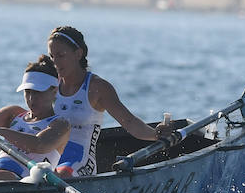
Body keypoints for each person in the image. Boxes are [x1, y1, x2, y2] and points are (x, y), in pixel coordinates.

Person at [45, 25, 174, 176]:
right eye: (52, 56)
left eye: (60, 55)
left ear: (78, 54)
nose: (55, 62)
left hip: (80, 161)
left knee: (59, 175)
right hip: (52, 154)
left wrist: (156, 135)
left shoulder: (98, 87)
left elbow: (130, 122)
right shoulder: (51, 84)